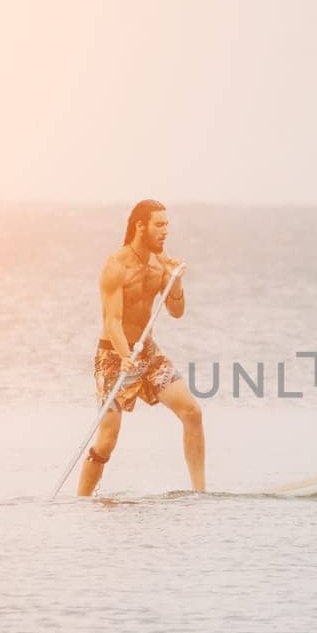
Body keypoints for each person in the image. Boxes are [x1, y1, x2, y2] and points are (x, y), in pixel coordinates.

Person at [77, 199, 204, 496]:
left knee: (192, 412)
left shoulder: (162, 264)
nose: (165, 232)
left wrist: (176, 282)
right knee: (107, 439)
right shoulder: (116, 266)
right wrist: (124, 356)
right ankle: (82, 500)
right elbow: (112, 320)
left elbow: (176, 311)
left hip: (147, 353)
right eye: (159, 225)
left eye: (167, 226)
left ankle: (201, 494)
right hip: (113, 355)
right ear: (140, 226)